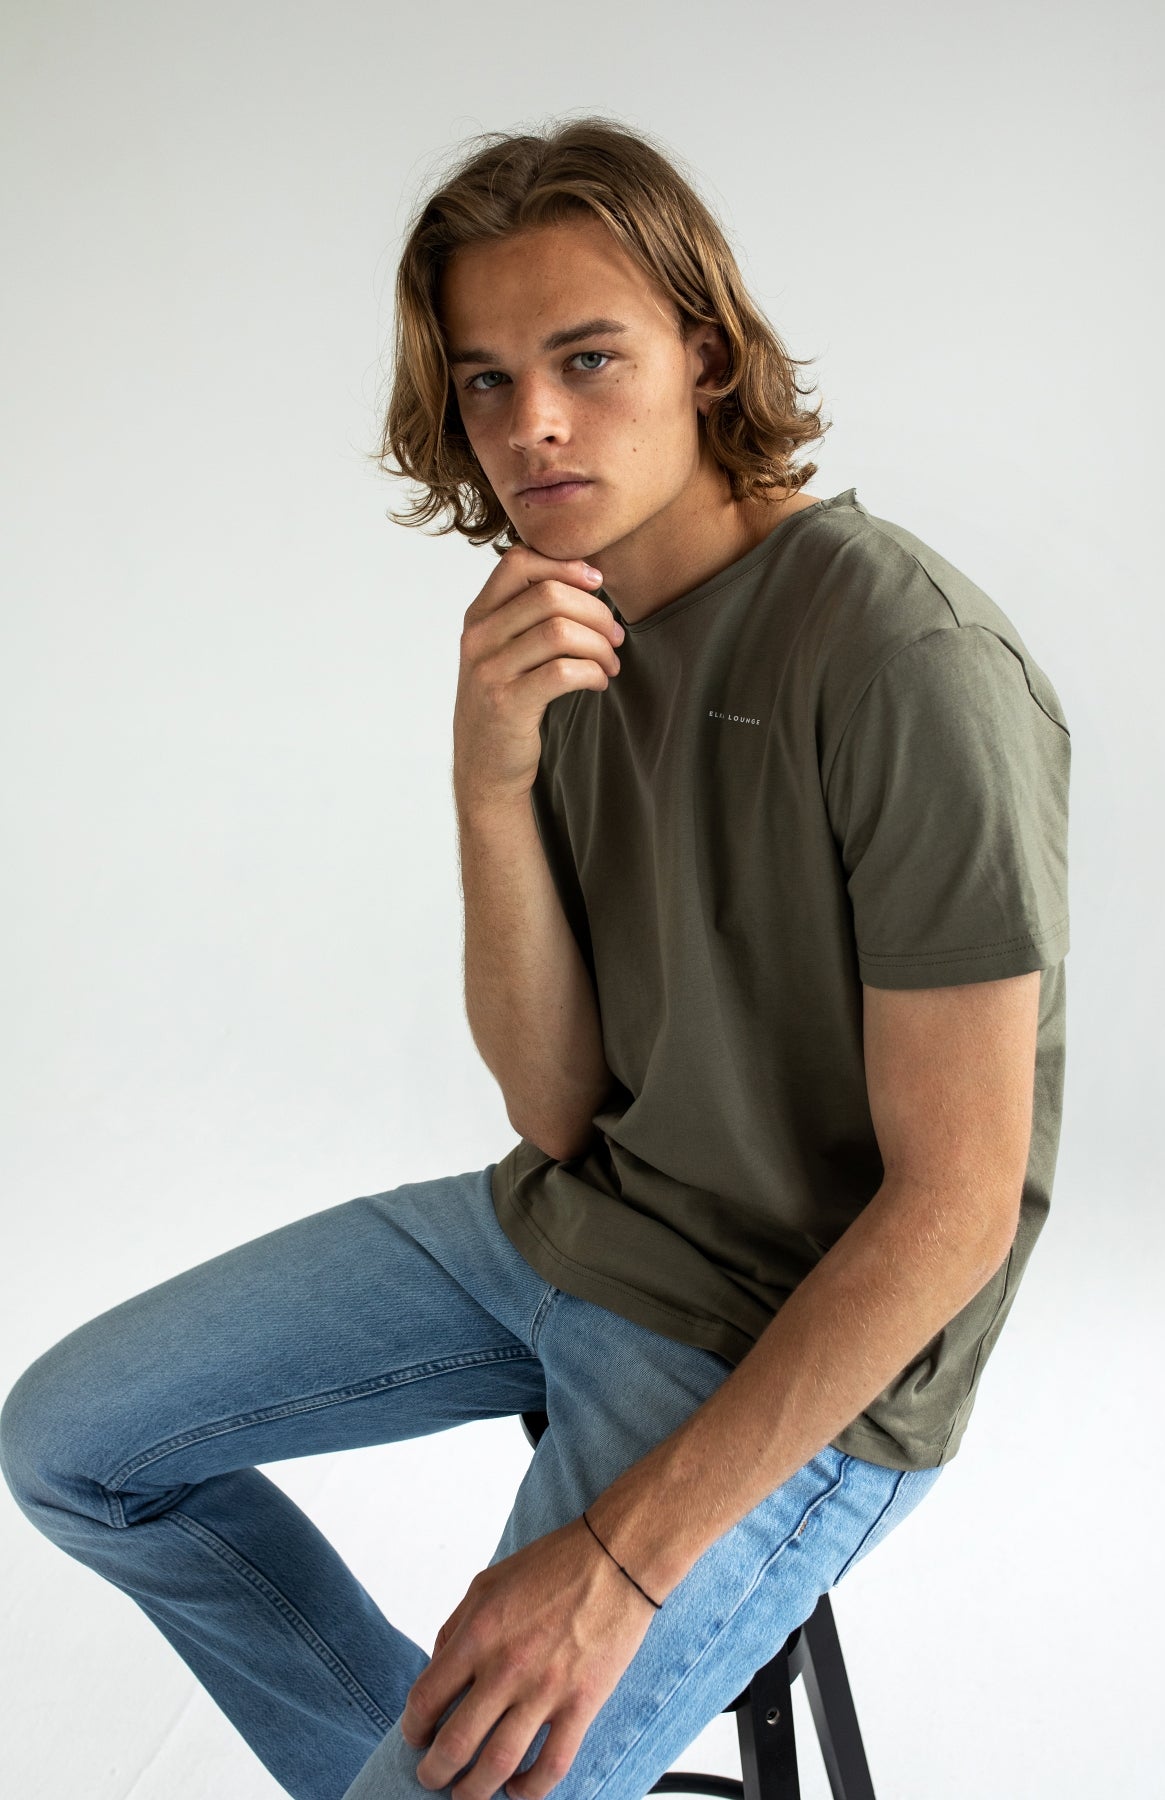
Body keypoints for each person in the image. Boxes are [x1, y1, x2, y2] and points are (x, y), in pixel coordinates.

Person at [0, 116, 1071, 1800]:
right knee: (75, 1446)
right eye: (486, 381)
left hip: (794, 1344)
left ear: (703, 353)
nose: (531, 425)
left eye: (586, 358)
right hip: (580, 1223)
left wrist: (619, 1566)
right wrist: (485, 775)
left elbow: (955, 1209)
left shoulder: (900, 658)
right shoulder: (563, 627)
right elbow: (559, 1108)